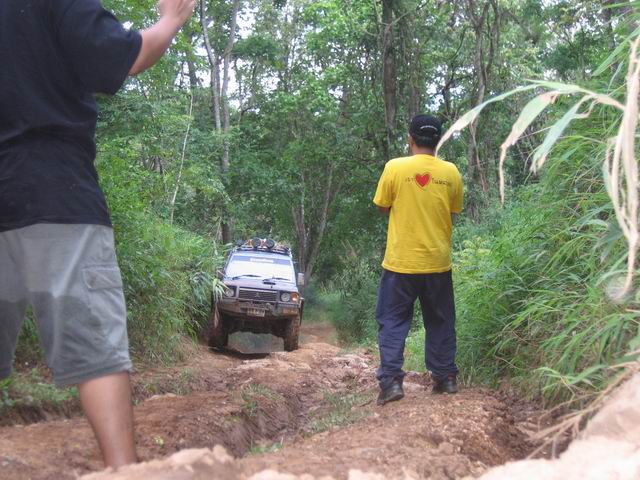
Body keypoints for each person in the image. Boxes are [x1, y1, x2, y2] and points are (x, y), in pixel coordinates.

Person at [0, 0, 195, 468]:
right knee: (95, 346)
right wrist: (171, 19)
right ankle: (123, 472)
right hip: (55, 189)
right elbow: (125, 57)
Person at [373, 114, 464, 406]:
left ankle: (391, 383)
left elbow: (382, 206)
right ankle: (445, 378)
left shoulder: (394, 168)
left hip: (400, 262)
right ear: (438, 141)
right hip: (437, 261)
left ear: (410, 139)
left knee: (392, 321)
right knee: (440, 320)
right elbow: (453, 211)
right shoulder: (451, 172)